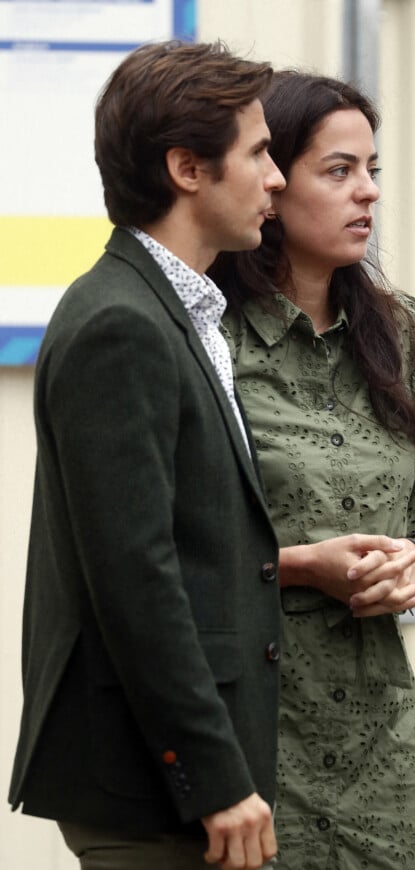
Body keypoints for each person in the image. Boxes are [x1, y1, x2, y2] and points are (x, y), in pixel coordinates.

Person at [8, 40, 287, 870]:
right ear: (187, 169)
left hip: (181, 785)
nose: (276, 177)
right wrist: (213, 778)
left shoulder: (178, 309)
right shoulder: (120, 324)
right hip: (153, 792)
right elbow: (135, 575)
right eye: (260, 152)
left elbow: (191, 540)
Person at [210, 71, 415, 870]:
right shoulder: (209, 339)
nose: (367, 194)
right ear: (271, 184)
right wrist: (299, 570)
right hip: (250, 723)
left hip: (377, 731)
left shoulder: (405, 334)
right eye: (338, 171)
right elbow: (164, 542)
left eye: (373, 171)